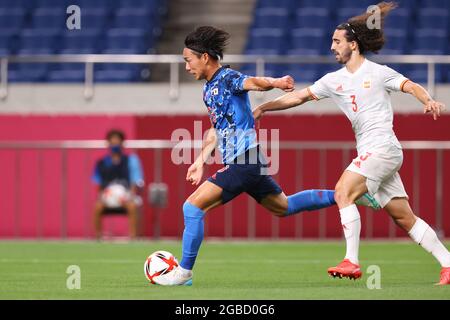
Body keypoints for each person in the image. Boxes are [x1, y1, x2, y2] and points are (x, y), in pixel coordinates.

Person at [253, 2, 449, 285]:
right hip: (376, 153)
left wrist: (427, 99)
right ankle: (448, 264)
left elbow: (410, 85)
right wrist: (263, 108)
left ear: (353, 45)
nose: (332, 47)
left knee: (342, 191)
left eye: (336, 41)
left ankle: (352, 261)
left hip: (382, 148)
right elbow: (299, 97)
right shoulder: (334, 80)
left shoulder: (378, 72)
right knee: (404, 217)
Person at [164, 26, 377, 286]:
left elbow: (252, 82)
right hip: (249, 163)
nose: (187, 67)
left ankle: (184, 273)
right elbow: (215, 128)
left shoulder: (227, 77)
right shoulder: (208, 90)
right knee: (283, 207)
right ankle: (345, 195)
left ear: (205, 57)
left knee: (192, 207)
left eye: (188, 60)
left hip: (245, 161)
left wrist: (275, 82)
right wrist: (199, 160)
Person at [92, 129, 144, 240]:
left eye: (117, 141)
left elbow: (136, 181)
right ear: (108, 143)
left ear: (122, 143)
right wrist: (103, 197)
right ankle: (98, 238)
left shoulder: (131, 160)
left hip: (126, 196)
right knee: (97, 207)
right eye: (112, 141)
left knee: (132, 207)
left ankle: (133, 237)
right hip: (108, 197)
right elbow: (98, 184)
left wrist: (130, 196)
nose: (115, 143)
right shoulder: (101, 163)